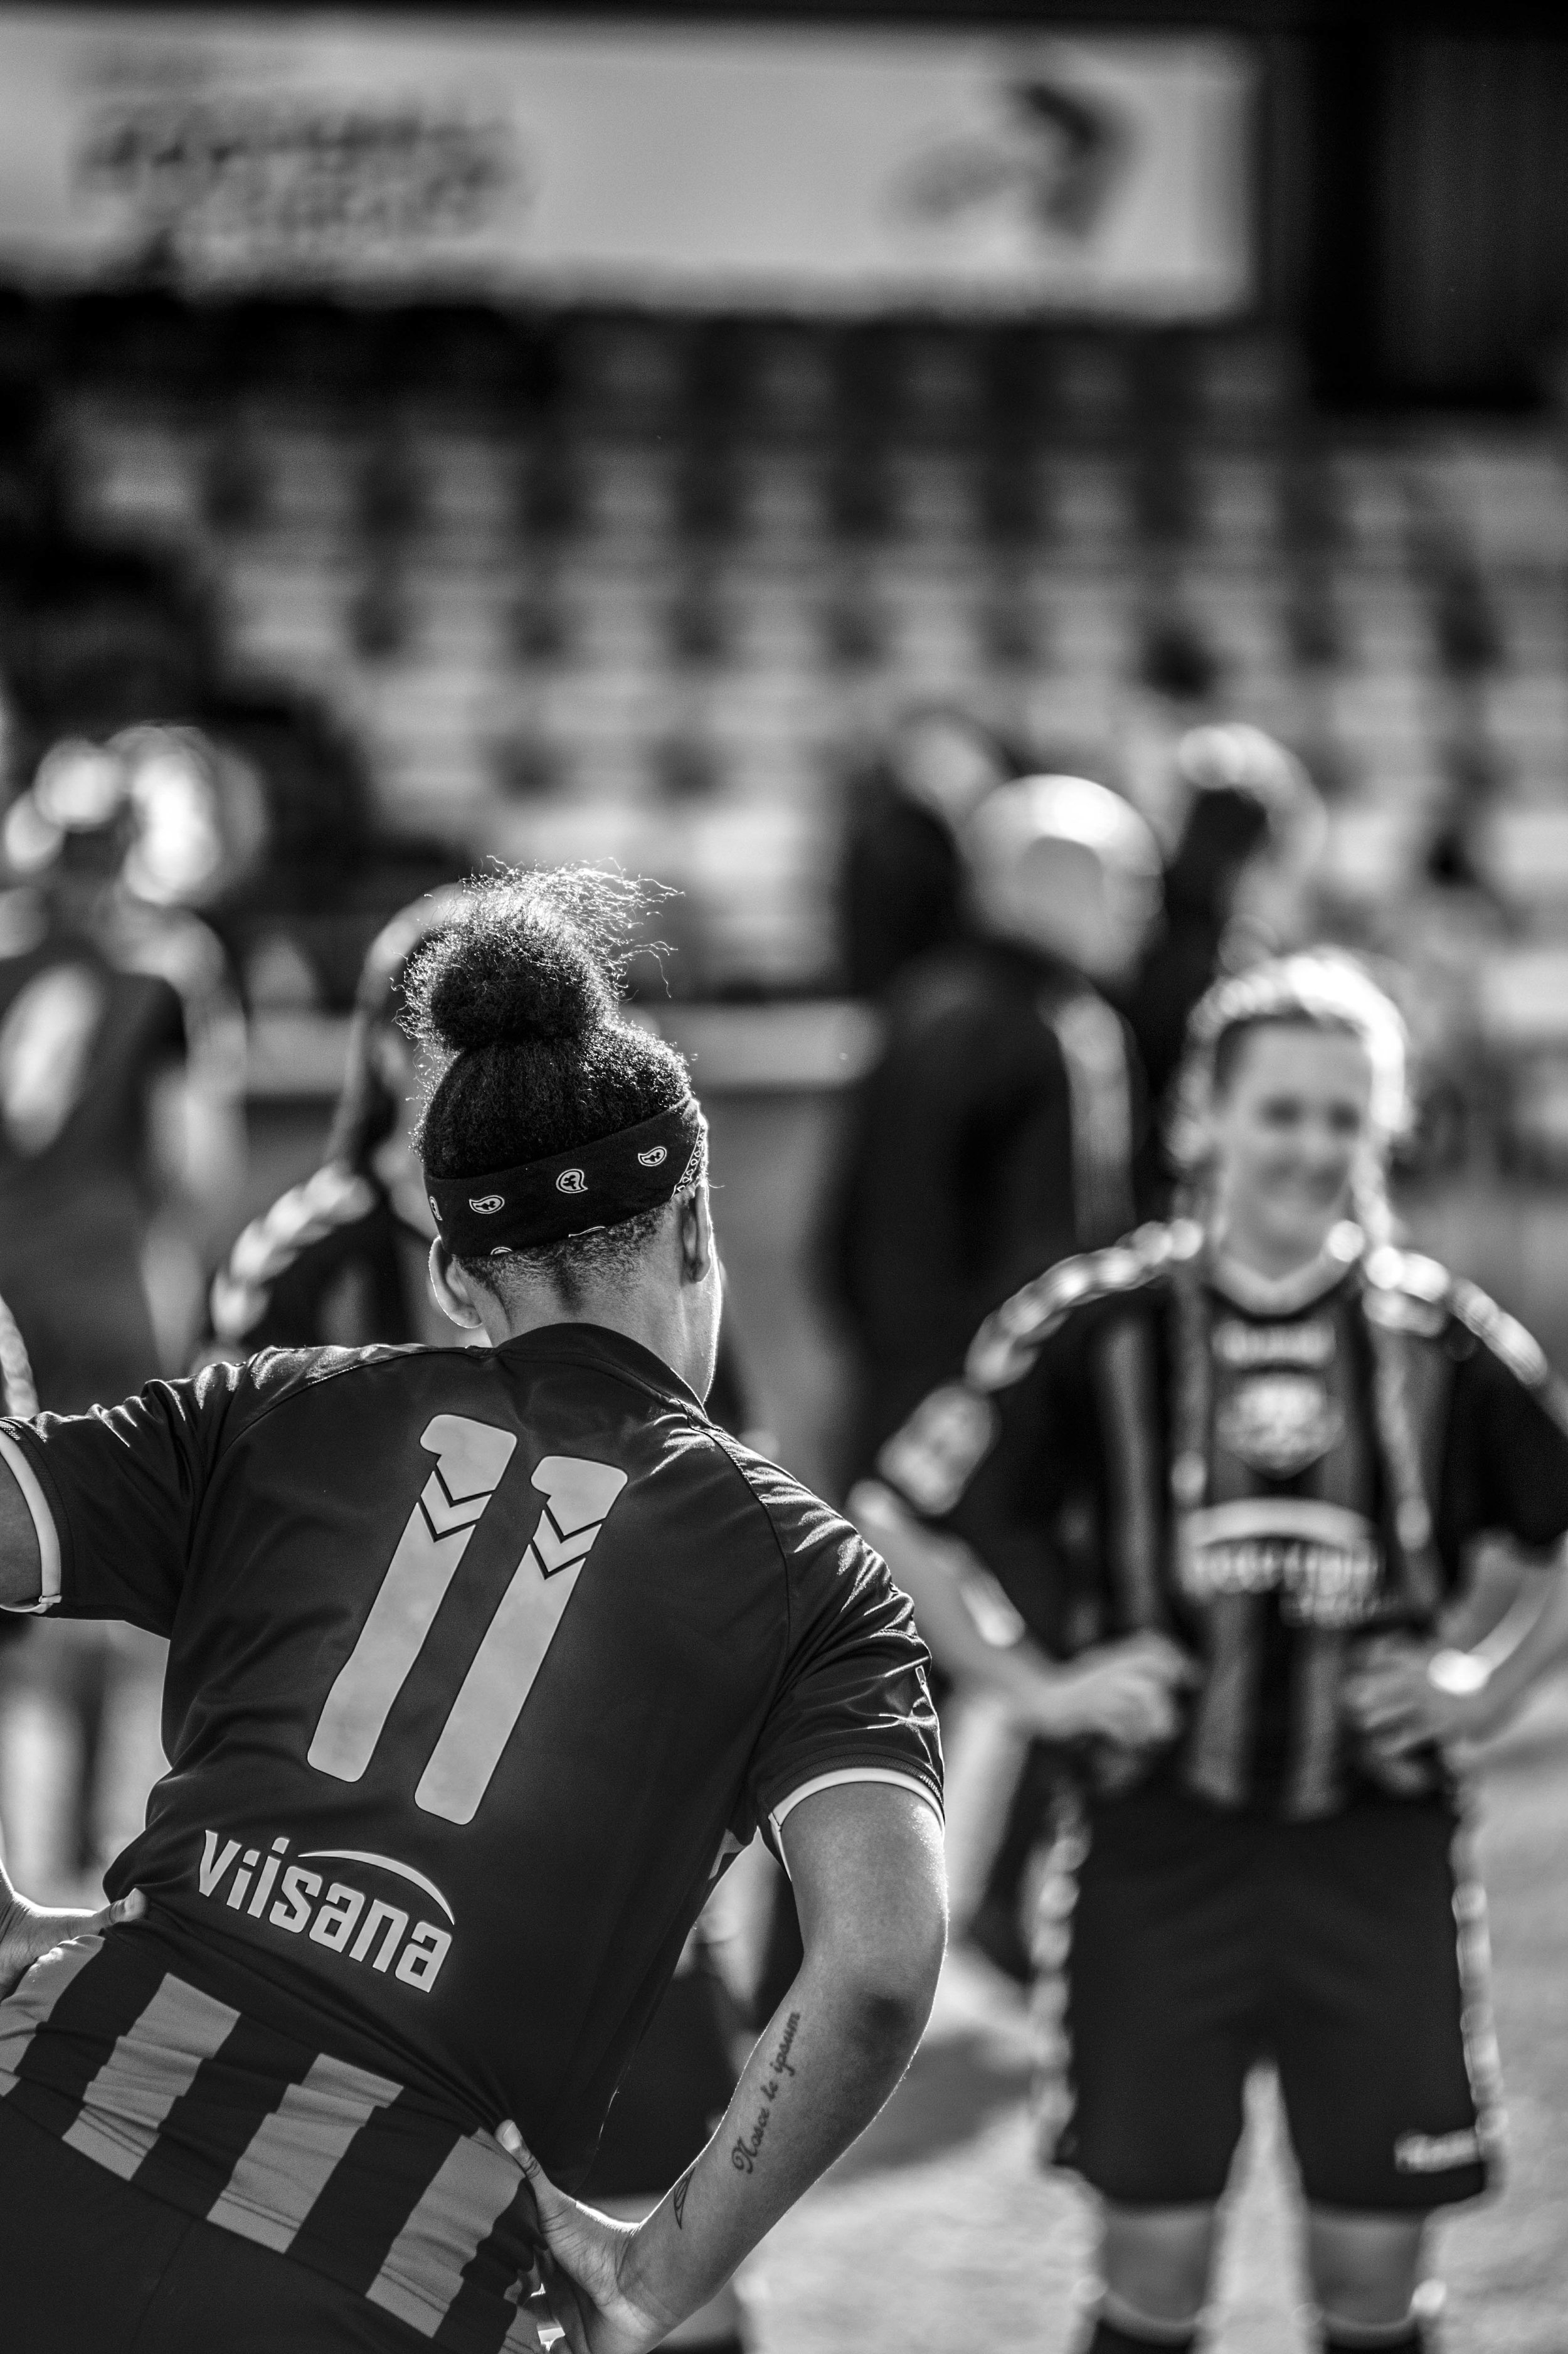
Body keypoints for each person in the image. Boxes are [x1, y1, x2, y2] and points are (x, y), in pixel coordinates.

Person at [0, 866, 946, 2353]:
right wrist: (659, 2273)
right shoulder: (812, 1574)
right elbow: (881, 1970)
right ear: (697, 1231)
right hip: (394, 2268)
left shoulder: (278, 1411)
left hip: (49, 2127)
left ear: (451, 1274)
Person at [854, 950, 1568, 2354]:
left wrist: (1486, 1677)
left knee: (1371, 2286)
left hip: (1374, 1852)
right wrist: (1036, 1685)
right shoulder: (1094, 1322)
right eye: (1278, 1111)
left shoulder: (1440, 1339)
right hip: (1152, 1856)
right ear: (1200, 1119)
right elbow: (900, 1508)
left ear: (1380, 1131)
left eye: (1339, 1117)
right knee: (1150, 2280)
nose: (1308, 1147)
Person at [207, 884, 764, 2354]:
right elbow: (236, 1554)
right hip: (373, 1849)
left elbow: (730, 1491)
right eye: (443, 1041)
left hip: (602, 1809)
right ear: (388, 1064)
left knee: (653, 2260)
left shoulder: (650, 1244)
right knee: (371, 2246)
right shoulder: (304, 1264)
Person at [824, 772, 1163, 1475]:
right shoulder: (1068, 1032)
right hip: (1000, 1436)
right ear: (1063, 884)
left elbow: (843, 1239)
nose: (1145, 916)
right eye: (1131, 883)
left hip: (890, 1409)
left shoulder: (918, 1001)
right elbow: (1065, 1263)